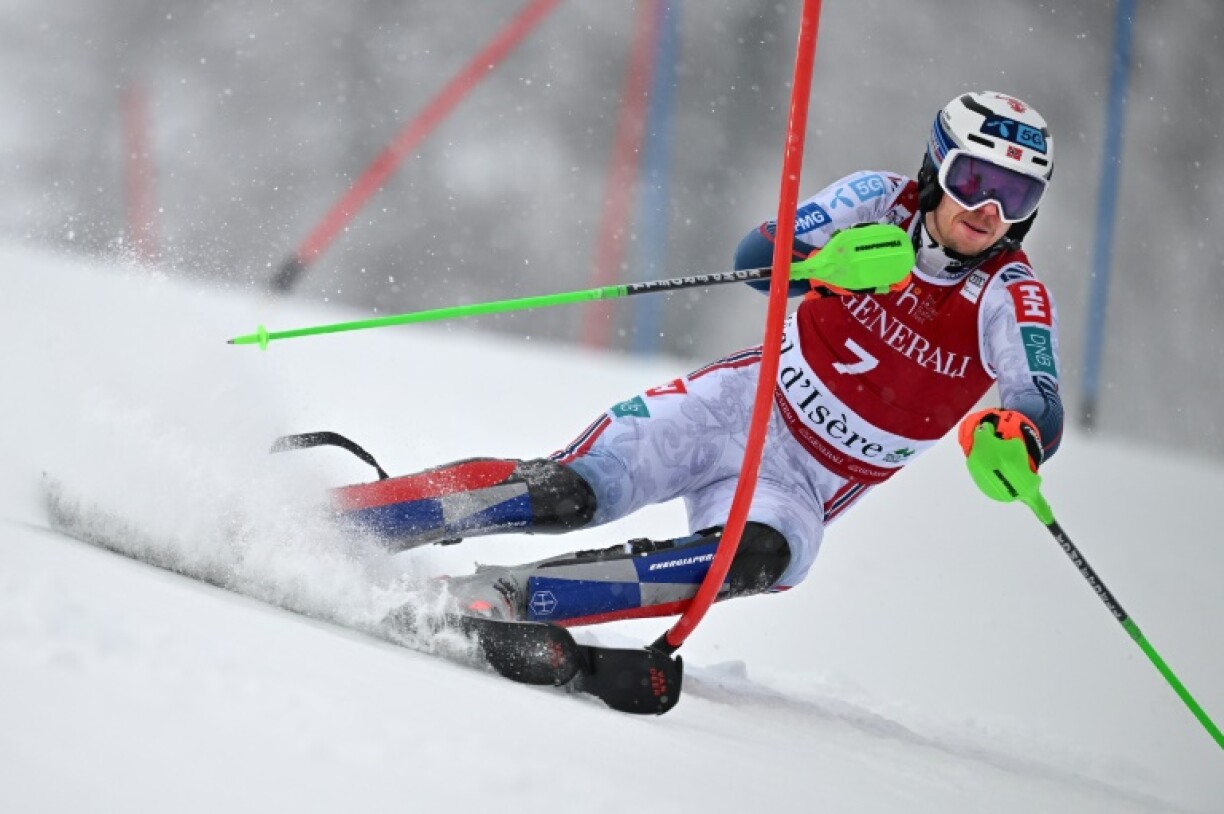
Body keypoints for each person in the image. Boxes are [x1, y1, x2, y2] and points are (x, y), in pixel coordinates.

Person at [334, 91, 1064, 626]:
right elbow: (756, 258)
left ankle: (505, 602)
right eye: (976, 182)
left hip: (808, 484)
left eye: (1016, 194)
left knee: (761, 562)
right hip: (733, 410)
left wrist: (1017, 435)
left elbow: (1036, 394)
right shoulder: (879, 201)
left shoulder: (1010, 293)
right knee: (570, 491)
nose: (989, 211)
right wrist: (821, 264)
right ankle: (340, 522)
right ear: (939, 167)